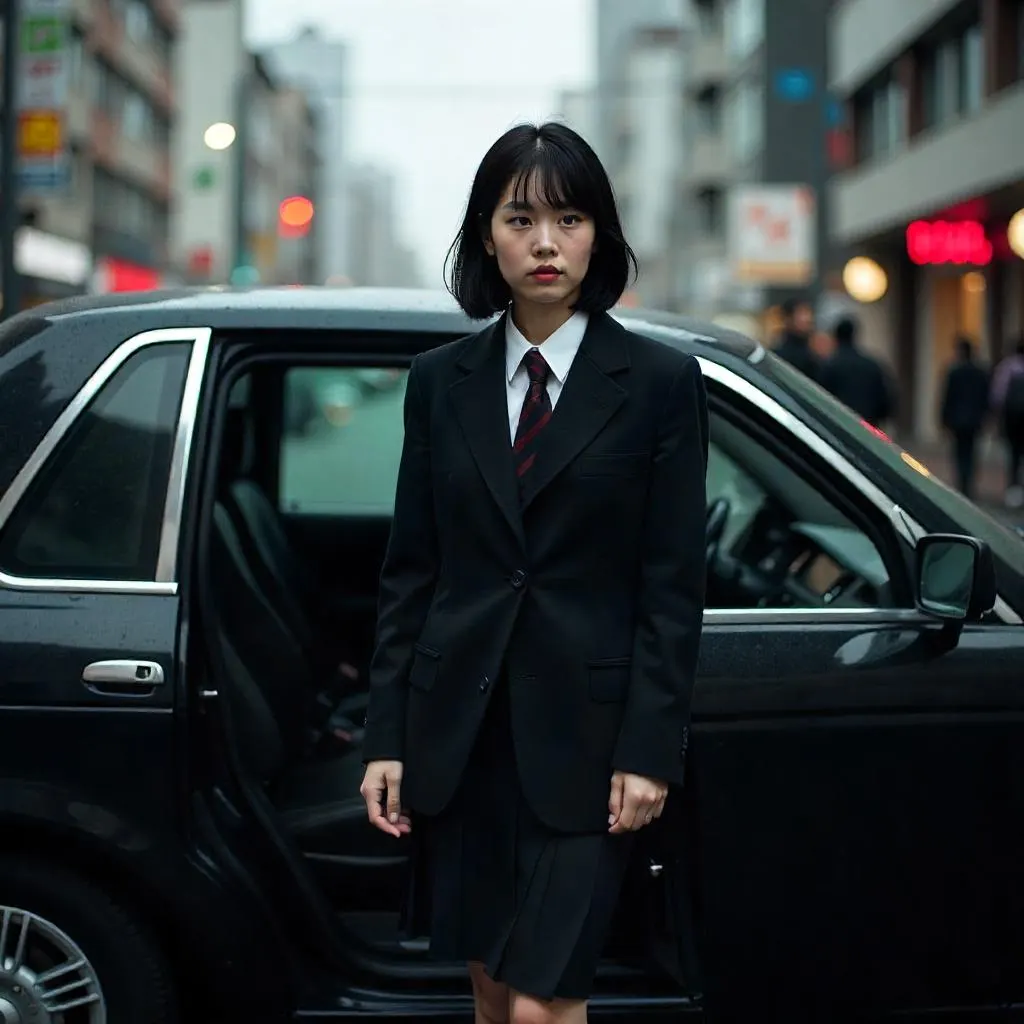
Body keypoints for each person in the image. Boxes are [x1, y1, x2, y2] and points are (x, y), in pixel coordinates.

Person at [358, 122, 708, 1024]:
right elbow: (412, 572)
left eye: (570, 218)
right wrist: (387, 738)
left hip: (588, 752)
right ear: (486, 234)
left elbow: (671, 584)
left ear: (601, 235)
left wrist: (646, 750)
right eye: (520, 219)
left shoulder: (662, 382)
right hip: (461, 736)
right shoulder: (440, 382)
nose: (546, 243)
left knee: (544, 1006)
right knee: (491, 993)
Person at [819, 315, 895, 428]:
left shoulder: (830, 366)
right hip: (869, 426)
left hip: (838, 425)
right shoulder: (871, 365)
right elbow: (886, 400)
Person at [939, 336, 990, 500]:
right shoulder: (980, 372)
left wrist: (944, 419)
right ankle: (967, 483)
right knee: (971, 451)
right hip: (974, 419)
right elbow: (985, 397)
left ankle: (962, 482)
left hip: (957, 419)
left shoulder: (954, 372)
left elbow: (947, 397)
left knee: (960, 451)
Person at [989, 336, 1024, 508]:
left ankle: (1014, 492)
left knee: (1014, 455)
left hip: (1014, 419)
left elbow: (998, 394)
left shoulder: (1008, 366)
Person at [773, 296, 821, 382]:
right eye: (802, 314)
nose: (808, 319)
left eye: (809, 313)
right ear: (788, 318)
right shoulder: (782, 355)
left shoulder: (812, 351)